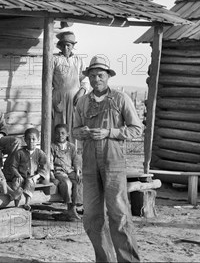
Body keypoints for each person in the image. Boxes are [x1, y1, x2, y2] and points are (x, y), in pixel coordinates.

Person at [72, 55, 142, 262]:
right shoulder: (82, 102)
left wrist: (110, 132)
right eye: (92, 76)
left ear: (108, 76)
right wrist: (81, 132)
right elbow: (73, 131)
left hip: (113, 160)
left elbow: (137, 129)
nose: (96, 80)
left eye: (100, 75)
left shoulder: (120, 99)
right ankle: (105, 259)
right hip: (89, 162)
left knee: (119, 214)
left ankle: (128, 260)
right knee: (92, 216)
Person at [51, 31, 89, 135]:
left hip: (75, 98)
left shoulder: (79, 60)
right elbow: (47, 81)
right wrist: (52, 100)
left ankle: (72, 149)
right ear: (59, 46)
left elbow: (85, 80)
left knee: (74, 125)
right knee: (59, 126)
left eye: (68, 45)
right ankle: (56, 149)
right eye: (63, 45)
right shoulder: (55, 59)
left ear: (73, 46)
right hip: (59, 98)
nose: (65, 48)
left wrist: (81, 92)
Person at [4, 127, 49, 210]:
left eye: (33, 139)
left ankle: (27, 203)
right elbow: (13, 166)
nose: (31, 141)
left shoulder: (40, 153)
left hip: (32, 176)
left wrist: (36, 177)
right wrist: (18, 175)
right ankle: (16, 205)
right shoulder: (20, 152)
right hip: (20, 176)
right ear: (25, 140)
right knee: (16, 184)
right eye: (28, 139)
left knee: (30, 182)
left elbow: (44, 168)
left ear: (38, 140)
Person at [50, 123, 82, 220]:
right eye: (58, 133)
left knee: (78, 181)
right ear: (54, 134)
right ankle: (69, 206)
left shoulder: (71, 147)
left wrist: (77, 172)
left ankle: (74, 207)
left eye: (63, 133)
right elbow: (50, 162)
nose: (60, 135)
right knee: (67, 183)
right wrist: (52, 176)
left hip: (70, 170)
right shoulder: (52, 147)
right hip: (59, 172)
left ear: (67, 134)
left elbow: (76, 160)